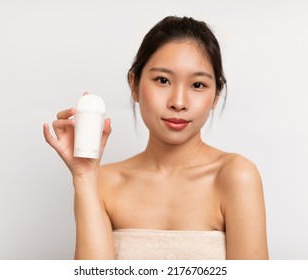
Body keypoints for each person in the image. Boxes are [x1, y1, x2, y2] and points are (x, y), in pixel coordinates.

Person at [43, 16, 269, 260]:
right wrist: (84, 176)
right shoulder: (102, 183)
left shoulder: (235, 177)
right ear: (134, 84)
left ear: (216, 96)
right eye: (163, 80)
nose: (178, 103)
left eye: (198, 85)